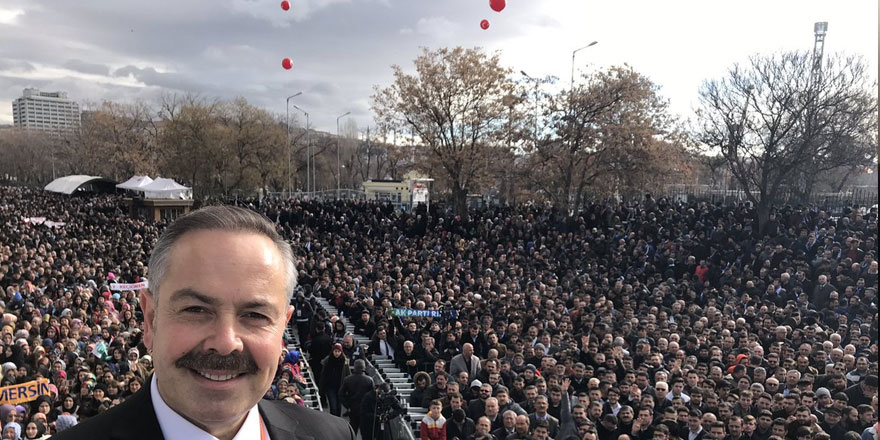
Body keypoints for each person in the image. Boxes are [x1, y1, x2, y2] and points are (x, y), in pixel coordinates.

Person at [51, 206, 354, 439]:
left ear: (282, 328)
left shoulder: (333, 435)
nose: (225, 343)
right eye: (196, 310)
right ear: (150, 319)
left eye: (255, 315)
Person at [340, 359, 374, 434]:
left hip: (353, 408)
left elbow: (341, 394)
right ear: (364, 368)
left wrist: (347, 405)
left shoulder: (348, 379)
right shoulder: (369, 380)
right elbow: (373, 395)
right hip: (365, 409)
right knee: (365, 431)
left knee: (353, 430)